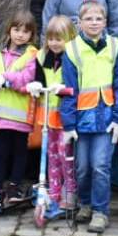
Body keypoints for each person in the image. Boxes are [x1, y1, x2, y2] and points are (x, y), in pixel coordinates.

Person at [60, 0, 118, 234]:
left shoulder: (115, 46)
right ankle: (86, 203)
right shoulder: (71, 49)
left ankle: (100, 211)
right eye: (88, 19)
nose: (93, 23)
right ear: (79, 23)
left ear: (105, 22)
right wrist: (68, 122)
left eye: (98, 19)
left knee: (101, 165)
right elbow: (68, 89)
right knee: (82, 167)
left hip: (106, 118)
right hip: (81, 120)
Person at [0, 11, 41, 208]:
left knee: (19, 151)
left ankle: (14, 186)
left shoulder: (32, 54)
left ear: (32, 35)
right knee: (0, 152)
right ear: (9, 30)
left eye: (25, 32)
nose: (20, 35)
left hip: (19, 114)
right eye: (16, 30)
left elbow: (26, 77)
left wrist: (7, 78)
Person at [37, 16, 80, 213]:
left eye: (59, 39)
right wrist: (34, 85)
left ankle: (70, 190)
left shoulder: (73, 59)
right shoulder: (42, 57)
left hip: (65, 117)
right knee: (51, 156)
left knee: (66, 156)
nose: (54, 43)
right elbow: (35, 76)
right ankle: (53, 192)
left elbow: (75, 86)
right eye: (51, 38)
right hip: (48, 117)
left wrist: (63, 89)